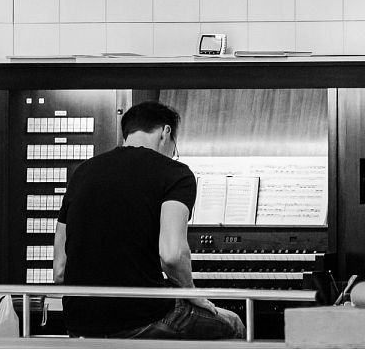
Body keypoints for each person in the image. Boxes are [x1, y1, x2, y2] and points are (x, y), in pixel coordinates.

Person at [54, 101, 246, 340]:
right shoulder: (175, 173)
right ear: (166, 133)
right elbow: (172, 255)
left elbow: (60, 270)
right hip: (141, 319)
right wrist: (191, 292)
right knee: (234, 324)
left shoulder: (81, 173)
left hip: (79, 323)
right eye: (175, 146)